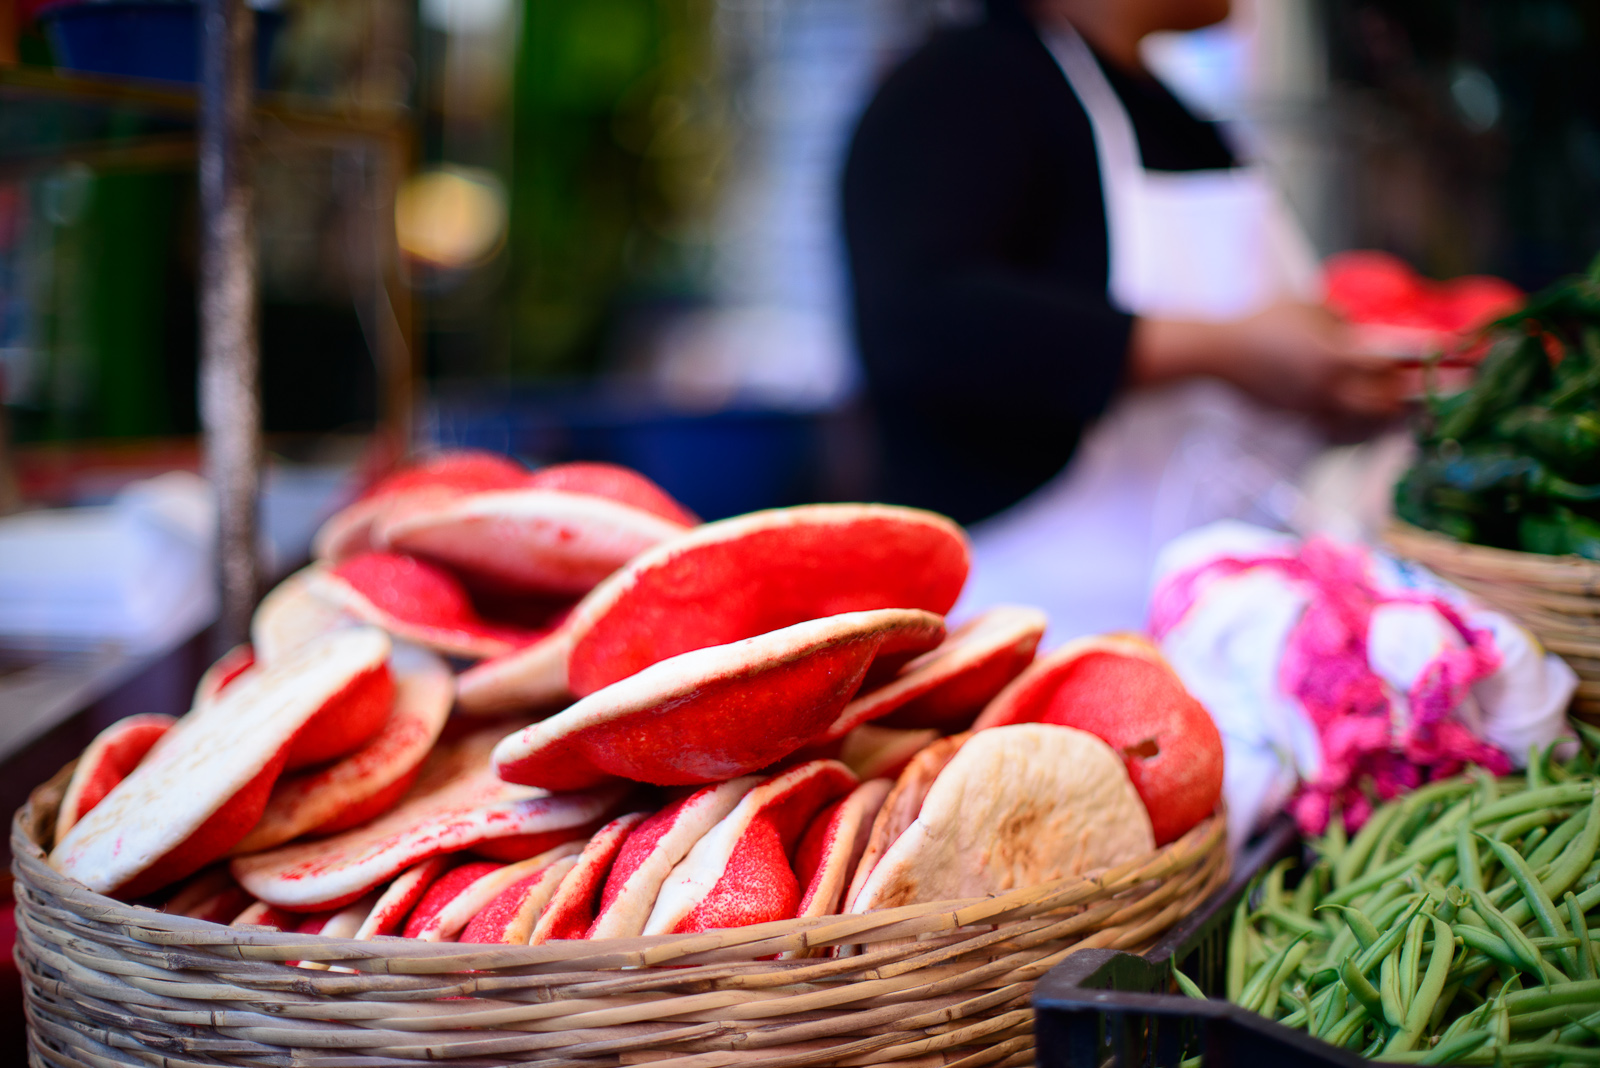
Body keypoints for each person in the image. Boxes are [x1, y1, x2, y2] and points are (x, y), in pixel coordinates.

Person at [843, 0, 1407, 639]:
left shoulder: (1174, 113)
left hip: (1231, 621)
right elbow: (920, 321)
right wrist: (1221, 351)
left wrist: (1329, 393)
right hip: (1043, 621)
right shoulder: (959, 86)